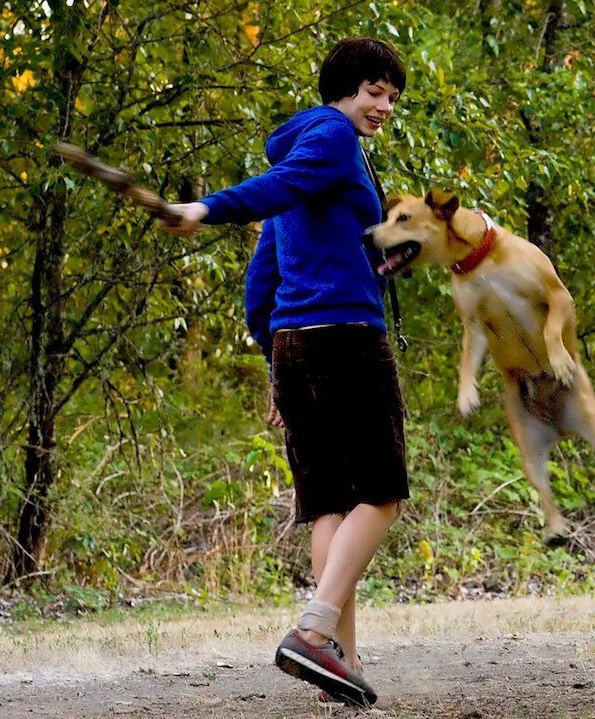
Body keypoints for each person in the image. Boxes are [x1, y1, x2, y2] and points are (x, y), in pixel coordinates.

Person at [161, 37, 408, 708]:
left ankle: (338, 666)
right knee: (381, 491)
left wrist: (277, 362)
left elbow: (261, 283)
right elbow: (272, 192)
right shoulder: (331, 137)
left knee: (331, 501)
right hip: (347, 339)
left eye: (390, 96)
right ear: (342, 90)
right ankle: (314, 629)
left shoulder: (312, 157)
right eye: (373, 92)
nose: (383, 106)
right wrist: (209, 207)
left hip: (299, 345)